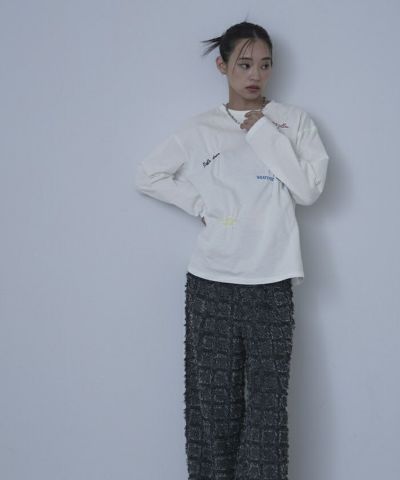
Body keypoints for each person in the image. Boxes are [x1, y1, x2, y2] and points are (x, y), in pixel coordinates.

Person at [134, 20, 329, 480]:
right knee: (212, 411)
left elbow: (307, 191)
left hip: (272, 282)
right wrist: (201, 204)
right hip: (211, 283)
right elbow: (148, 175)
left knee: (267, 412)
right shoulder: (200, 128)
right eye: (243, 64)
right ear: (222, 66)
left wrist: (264, 134)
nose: (255, 74)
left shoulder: (293, 122)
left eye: (264, 64)